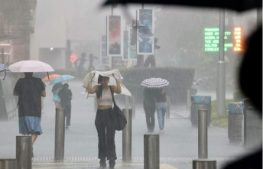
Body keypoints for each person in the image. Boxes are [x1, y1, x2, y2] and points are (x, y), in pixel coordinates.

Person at [87, 73, 121, 169]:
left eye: (105, 80)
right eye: (102, 80)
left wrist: (116, 79)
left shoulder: (112, 88)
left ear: (108, 80)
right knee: (101, 137)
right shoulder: (97, 88)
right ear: (99, 81)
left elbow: (119, 90)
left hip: (110, 113)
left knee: (110, 137)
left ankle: (112, 158)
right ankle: (102, 158)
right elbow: (90, 90)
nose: (103, 82)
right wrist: (91, 79)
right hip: (100, 113)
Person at [13, 72, 46, 157]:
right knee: (35, 130)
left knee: (25, 130)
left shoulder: (20, 81)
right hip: (35, 108)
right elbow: (44, 94)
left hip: (23, 108)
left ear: (24, 73)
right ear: (32, 73)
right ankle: (29, 145)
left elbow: (15, 93)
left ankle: (26, 146)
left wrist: (24, 93)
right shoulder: (38, 81)